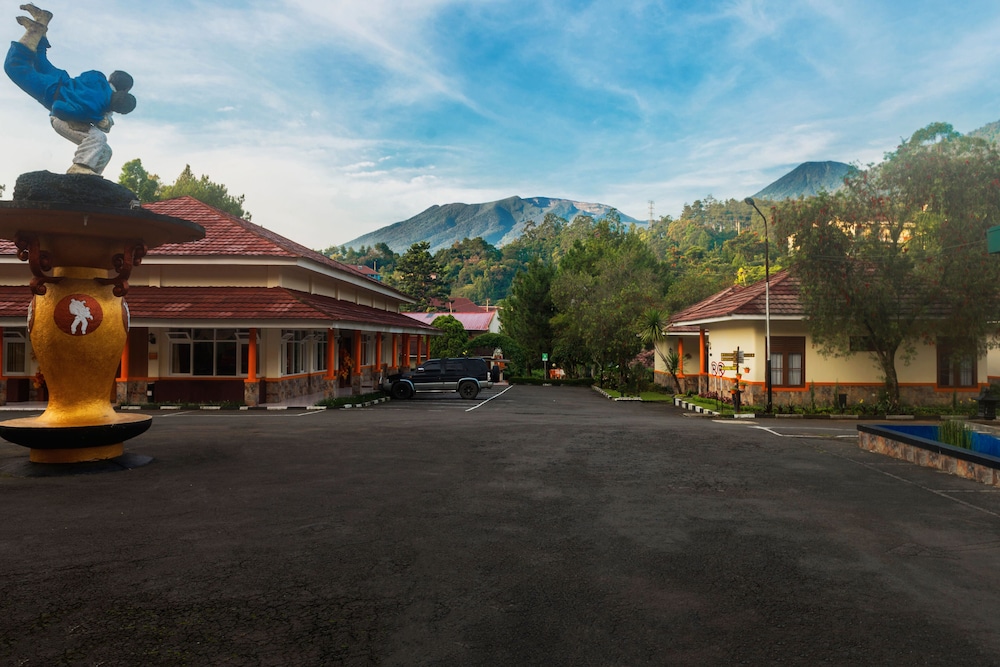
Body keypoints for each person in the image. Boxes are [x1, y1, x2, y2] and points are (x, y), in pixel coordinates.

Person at [3, 4, 136, 176]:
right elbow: (59, 108)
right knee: (15, 66)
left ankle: (42, 20)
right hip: (52, 95)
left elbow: (84, 77)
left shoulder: (98, 77)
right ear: (124, 91)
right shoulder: (97, 110)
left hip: (61, 78)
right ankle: (82, 167)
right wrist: (82, 118)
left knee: (39, 57)